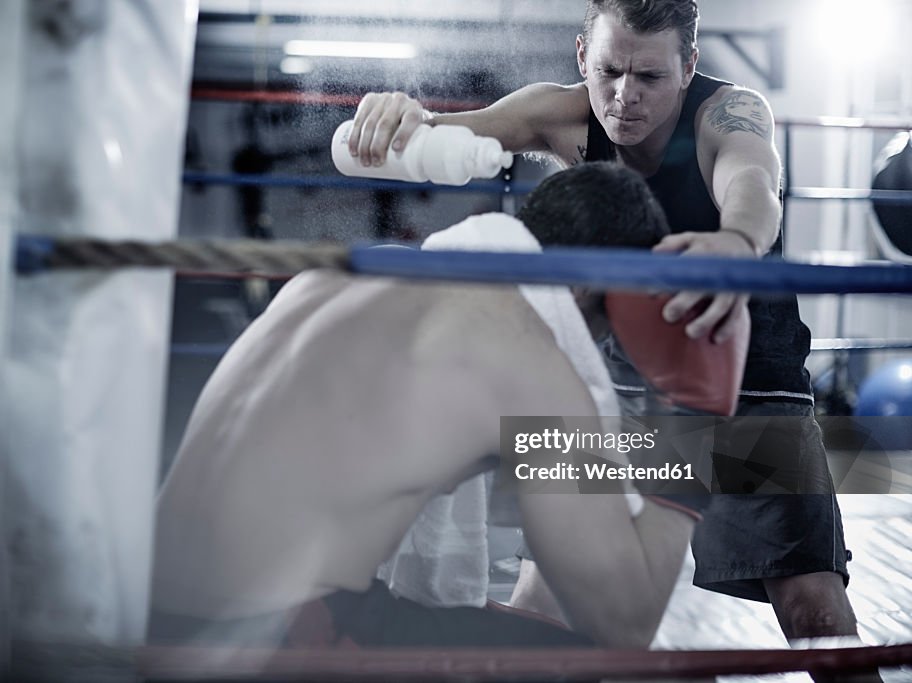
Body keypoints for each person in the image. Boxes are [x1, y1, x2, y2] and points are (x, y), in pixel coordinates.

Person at [347, 0, 872, 676]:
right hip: (614, 401)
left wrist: (735, 241)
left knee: (815, 613)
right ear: (580, 57)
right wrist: (401, 115)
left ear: (688, 66)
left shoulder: (727, 114)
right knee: (544, 606)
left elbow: (753, 181)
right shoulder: (557, 113)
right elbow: (438, 134)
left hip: (744, 399)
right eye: (609, 71)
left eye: (650, 77)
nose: (625, 96)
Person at [149, 164, 704, 654]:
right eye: (606, 332)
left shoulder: (353, 271)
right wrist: (693, 415)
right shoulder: (521, 350)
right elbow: (625, 625)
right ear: (590, 291)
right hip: (264, 640)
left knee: (511, 622)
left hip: (150, 607)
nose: (597, 351)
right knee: (604, 669)